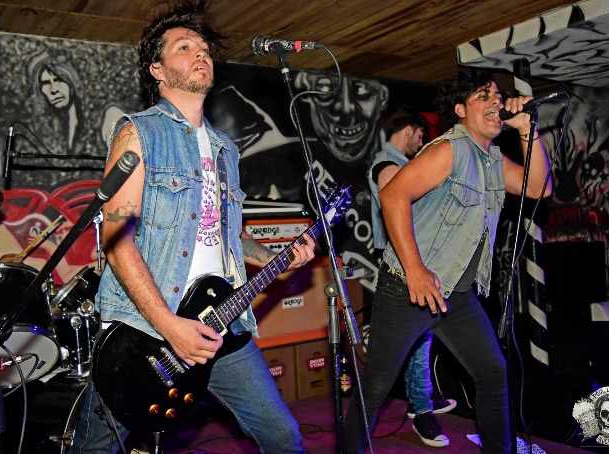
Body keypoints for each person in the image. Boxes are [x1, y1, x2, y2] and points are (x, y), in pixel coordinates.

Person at [69, 1, 316, 453]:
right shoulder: (139, 133)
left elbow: (225, 235)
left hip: (220, 321)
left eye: (203, 47)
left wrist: (276, 256)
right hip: (144, 332)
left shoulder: (226, 150)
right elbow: (116, 240)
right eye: (184, 47)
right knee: (96, 448)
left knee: (283, 436)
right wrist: (169, 325)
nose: (200, 52)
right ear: (158, 70)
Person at [344, 69, 553, 453]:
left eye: (497, 95)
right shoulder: (450, 149)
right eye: (483, 95)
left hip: (455, 294)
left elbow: (539, 187)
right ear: (460, 110)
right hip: (406, 290)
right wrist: (415, 271)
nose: (496, 101)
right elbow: (392, 196)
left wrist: (528, 130)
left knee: (492, 373)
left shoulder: (491, 160)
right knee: (375, 386)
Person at [367, 105, 455, 448]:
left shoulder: (398, 163)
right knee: (416, 339)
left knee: (422, 337)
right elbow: (396, 200)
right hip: (403, 266)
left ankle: (422, 397)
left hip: (414, 262)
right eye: (420, 135)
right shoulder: (387, 164)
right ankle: (420, 409)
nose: (420, 143)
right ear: (408, 131)